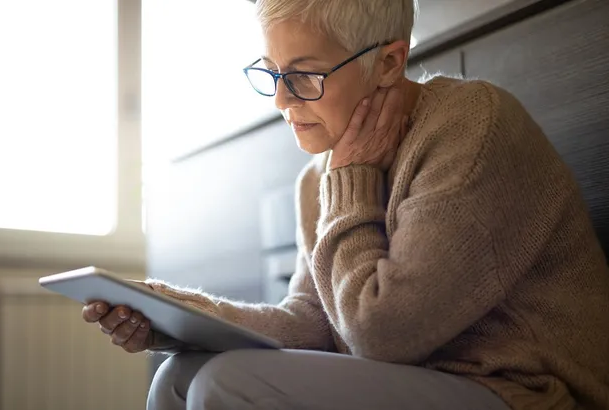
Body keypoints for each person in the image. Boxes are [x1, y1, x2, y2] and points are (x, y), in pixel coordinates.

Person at [82, 0, 609, 408]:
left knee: (227, 385)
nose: (282, 102)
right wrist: (179, 316)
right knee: (178, 379)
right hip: (427, 380)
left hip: (525, 390)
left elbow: (384, 333)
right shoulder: (321, 175)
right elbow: (314, 319)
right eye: (271, 73)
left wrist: (351, 181)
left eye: (304, 76)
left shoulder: (472, 127)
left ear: (388, 62)